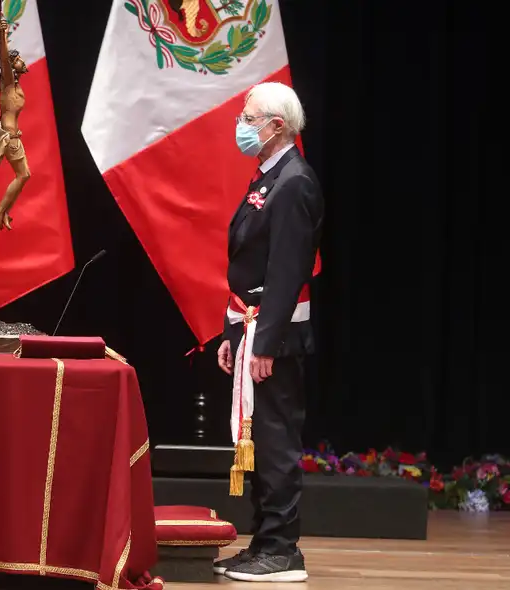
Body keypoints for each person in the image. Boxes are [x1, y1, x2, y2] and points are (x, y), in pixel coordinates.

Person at [213, 82, 323, 583]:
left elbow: (286, 270)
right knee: (255, 440)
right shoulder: (267, 177)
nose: (242, 122)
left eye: (249, 116)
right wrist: (230, 331)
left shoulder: (294, 181)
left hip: (272, 337)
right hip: (251, 327)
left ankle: (282, 550)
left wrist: (266, 343)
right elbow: (247, 262)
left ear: (276, 125)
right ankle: (263, 541)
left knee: (274, 441)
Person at [0, 18, 31, 231]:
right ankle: (0, 209)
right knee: (24, 174)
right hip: (9, 137)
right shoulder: (7, 83)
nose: (23, 62)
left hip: (15, 137)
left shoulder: (15, 86)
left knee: (25, 175)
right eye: (19, 60)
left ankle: (3, 209)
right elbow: (3, 58)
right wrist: (3, 35)